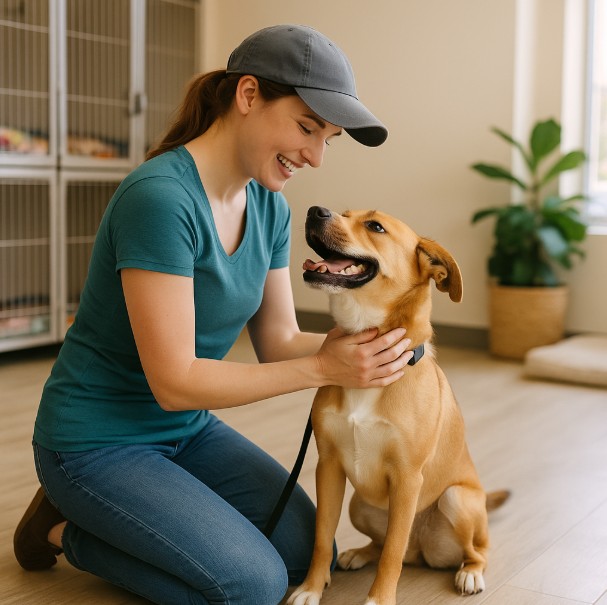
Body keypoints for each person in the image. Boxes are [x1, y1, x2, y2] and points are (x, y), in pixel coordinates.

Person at [14, 24, 413, 605]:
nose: (316, 157)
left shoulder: (269, 206)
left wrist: (367, 347)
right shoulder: (161, 199)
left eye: (329, 138)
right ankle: (60, 528)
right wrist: (326, 370)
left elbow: (278, 339)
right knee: (251, 586)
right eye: (306, 128)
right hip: (96, 442)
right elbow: (175, 383)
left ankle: (135, 511)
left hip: (187, 432)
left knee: (302, 548)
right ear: (248, 96)